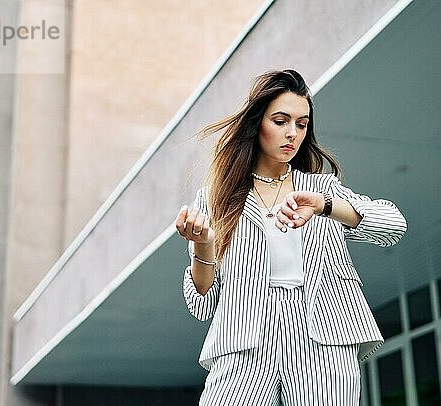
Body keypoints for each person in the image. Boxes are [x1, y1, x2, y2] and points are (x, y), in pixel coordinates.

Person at [174, 69, 407, 405]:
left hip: (323, 333)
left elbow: (394, 225)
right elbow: (202, 303)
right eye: (281, 121)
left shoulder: (321, 188)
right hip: (245, 338)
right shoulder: (215, 198)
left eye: (302, 124)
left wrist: (326, 206)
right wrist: (203, 246)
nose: (292, 133)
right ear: (257, 124)